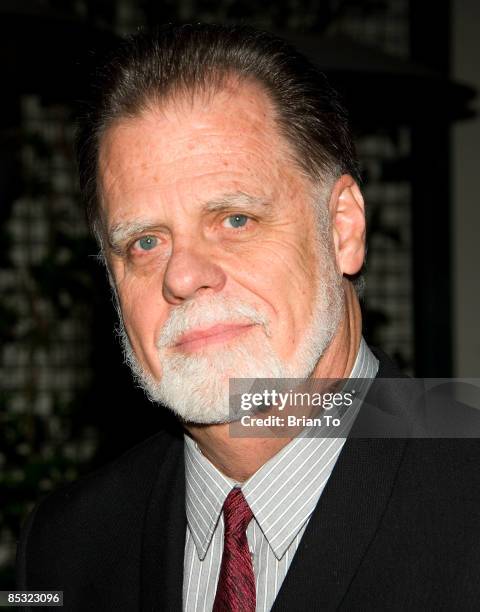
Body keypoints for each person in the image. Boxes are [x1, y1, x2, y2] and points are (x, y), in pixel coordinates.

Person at [16, 24, 480, 611]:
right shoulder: (66, 545)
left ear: (342, 229)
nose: (183, 276)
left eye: (235, 219)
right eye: (145, 242)